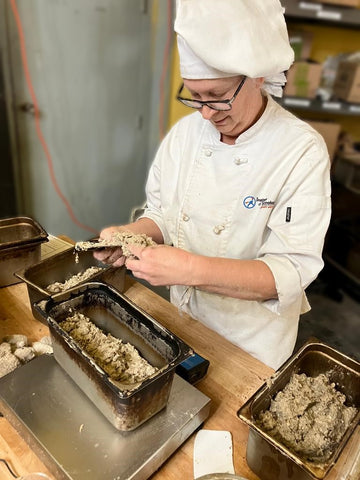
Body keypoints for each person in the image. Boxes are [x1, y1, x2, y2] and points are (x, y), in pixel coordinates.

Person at [94, 0, 331, 369]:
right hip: (181, 324)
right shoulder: (185, 135)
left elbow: (289, 270)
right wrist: (132, 234)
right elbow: (162, 214)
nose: (205, 113)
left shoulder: (300, 151)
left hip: (250, 347)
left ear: (256, 75)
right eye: (194, 96)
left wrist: (189, 270)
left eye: (217, 97)